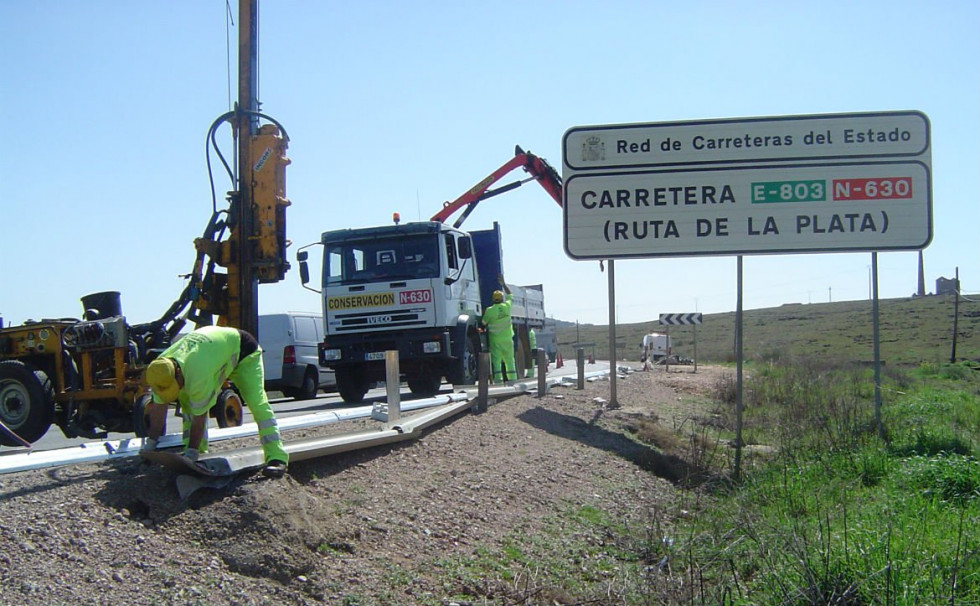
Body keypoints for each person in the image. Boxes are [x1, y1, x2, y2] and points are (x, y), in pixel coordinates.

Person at [142, 325, 289, 478]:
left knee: (257, 402)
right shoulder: (160, 370)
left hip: (244, 352)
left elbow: (199, 418)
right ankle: (196, 452)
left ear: (177, 373)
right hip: (214, 351)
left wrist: (191, 454)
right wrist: (150, 446)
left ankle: (276, 456)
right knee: (186, 401)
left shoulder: (199, 374)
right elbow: (158, 410)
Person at [481, 276, 516, 383]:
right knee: (510, 360)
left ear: (493, 299)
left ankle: (498, 381)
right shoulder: (507, 306)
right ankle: (512, 380)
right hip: (508, 340)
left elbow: (483, 323)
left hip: (495, 341)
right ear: (502, 298)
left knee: (496, 361)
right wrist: (503, 284)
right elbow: (510, 295)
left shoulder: (489, 311)